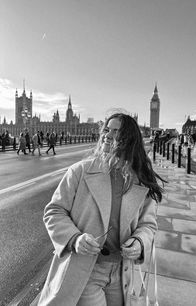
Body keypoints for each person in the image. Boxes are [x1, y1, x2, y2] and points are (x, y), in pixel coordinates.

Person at [38, 113, 164, 306]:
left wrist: (139, 242)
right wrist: (75, 238)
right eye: (106, 129)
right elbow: (54, 211)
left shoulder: (141, 180)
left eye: (115, 131)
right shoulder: (79, 171)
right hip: (85, 270)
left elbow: (148, 224)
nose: (107, 134)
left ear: (129, 139)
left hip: (122, 271)